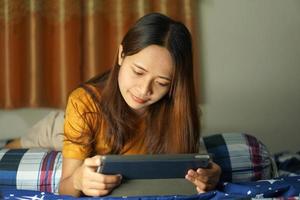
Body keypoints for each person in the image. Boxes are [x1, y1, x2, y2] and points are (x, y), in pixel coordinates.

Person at [6, 12, 221, 197]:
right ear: (121, 55)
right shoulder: (83, 103)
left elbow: (194, 161)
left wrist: (211, 174)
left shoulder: (181, 111)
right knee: (9, 148)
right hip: (61, 126)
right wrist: (78, 181)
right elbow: (66, 188)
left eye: (162, 83)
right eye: (138, 72)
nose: (144, 90)